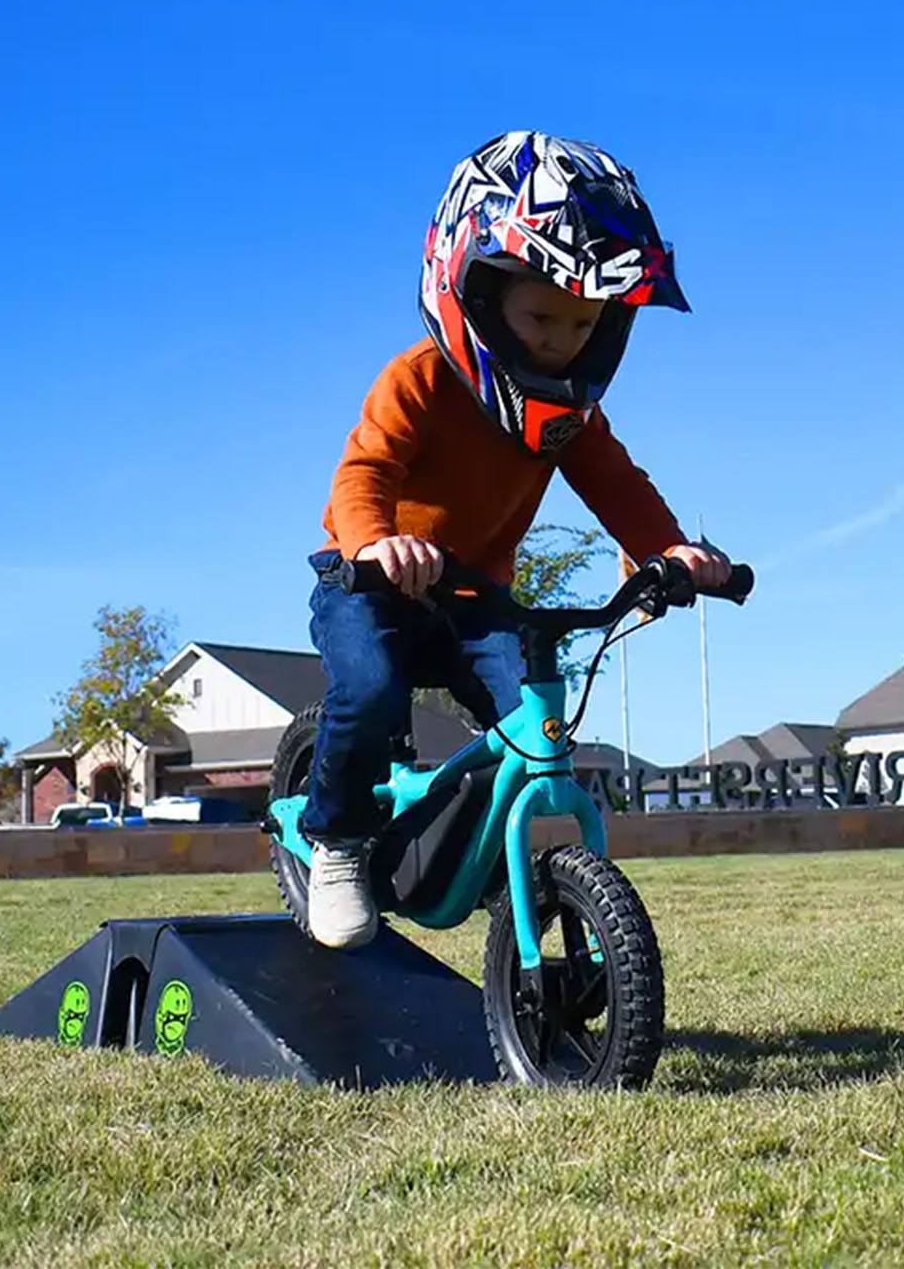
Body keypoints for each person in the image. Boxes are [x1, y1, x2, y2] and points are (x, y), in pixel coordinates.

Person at [302, 131, 730, 948]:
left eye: (585, 324)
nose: (562, 342)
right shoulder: (420, 380)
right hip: (371, 584)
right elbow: (361, 475)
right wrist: (375, 544)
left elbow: (618, 486)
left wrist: (669, 552)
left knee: (534, 726)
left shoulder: (568, 420)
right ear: (476, 290)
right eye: (542, 316)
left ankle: (506, 867)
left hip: (473, 600)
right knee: (369, 689)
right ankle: (340, 847)